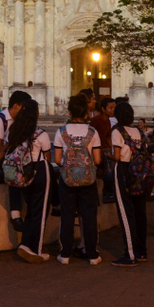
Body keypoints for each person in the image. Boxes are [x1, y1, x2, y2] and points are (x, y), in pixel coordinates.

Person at [0, 99, 52, 263]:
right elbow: (48, 158)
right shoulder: (40, 134)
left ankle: (25, 244)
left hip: (23, 175)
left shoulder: (13, 131)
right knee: (40, 212)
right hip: (39, 172)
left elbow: (4, 150)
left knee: (30, 211)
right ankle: (36, 250)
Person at [53, 95, 102, 265]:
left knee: (67, 215)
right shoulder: (92, 132)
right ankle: (92, 255)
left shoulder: (61, 132)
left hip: (67, 180)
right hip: (88, 180)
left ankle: (65, 254)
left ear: (69, 111)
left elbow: (58, 160)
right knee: (89, 216)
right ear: (87, 112)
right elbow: (97, 160)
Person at [0, 90, 32, 231]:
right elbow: (0, 147)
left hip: (10, 155)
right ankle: (15, 214)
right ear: (17, 106)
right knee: (13, 171)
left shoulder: (18, 122)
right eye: (24, 108)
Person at [112, 101, 148, 266]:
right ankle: (141, 251)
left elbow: (117, 157)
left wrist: (107, 155)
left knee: (126, 213)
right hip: (140, 172)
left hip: (125, 171)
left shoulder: (117, 131)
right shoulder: (139, 131)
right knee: (140, 212)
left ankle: (130, 254)